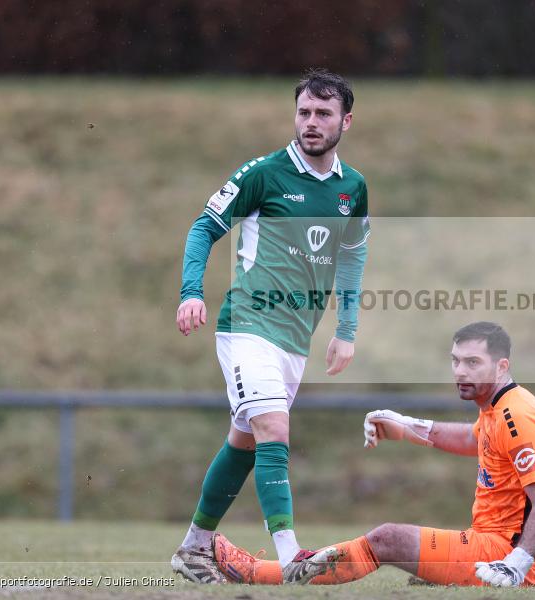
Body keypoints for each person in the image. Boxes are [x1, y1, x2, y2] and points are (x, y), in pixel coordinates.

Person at [211, 322, 535, 588]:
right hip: (499, 548)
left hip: (503, 555)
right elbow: (475, 439)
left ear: (502, 365)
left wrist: (516, 565)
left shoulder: (517, 416)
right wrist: (407, 426)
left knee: (386, 539)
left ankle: (257, 572)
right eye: (456, 361)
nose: (461, 371)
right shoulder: (500, 407)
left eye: (473, 363)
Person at [171, 68, 370, 585]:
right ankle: (291, 556)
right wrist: (191, 292)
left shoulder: (353, 188)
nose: (311, 122)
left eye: (323, 113)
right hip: (247, 326)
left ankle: (193, 549)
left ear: (346, 121)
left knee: (245, 442)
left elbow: (352, 257)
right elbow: (203, 227)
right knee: (273, 430)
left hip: (295, 341)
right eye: (303, 112)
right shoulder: (263, 174)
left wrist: (346, 329)